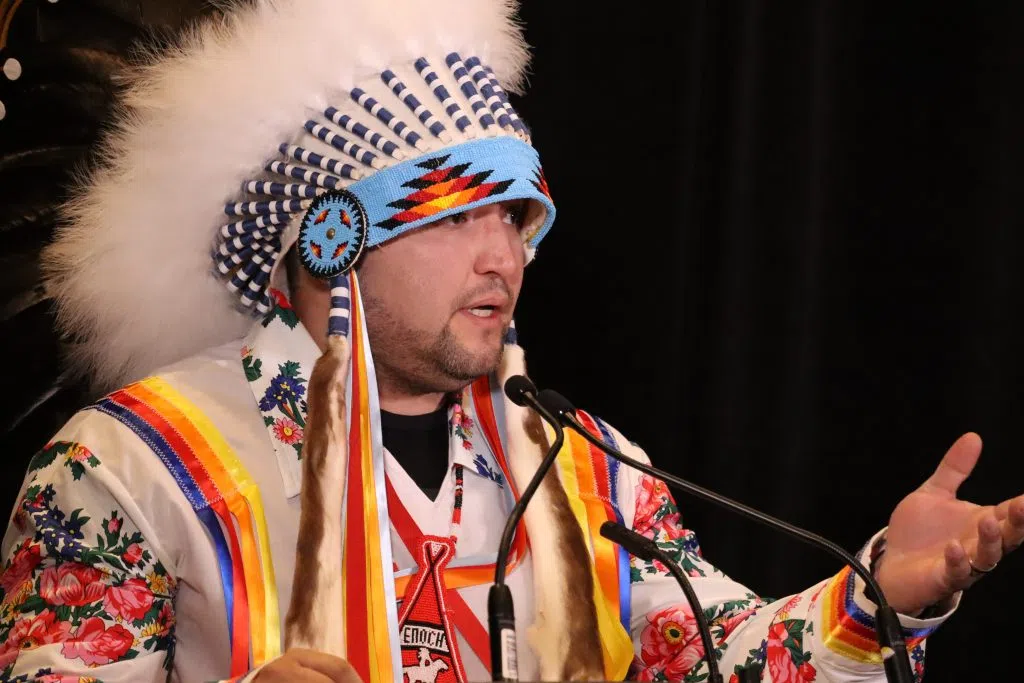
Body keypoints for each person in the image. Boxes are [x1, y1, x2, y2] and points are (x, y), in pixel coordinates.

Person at [1, 0, 1022, 681]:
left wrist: (878, 592)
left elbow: (710, 655)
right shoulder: (129, 464)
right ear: (331, 234)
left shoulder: (582, 462)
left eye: (520, 218)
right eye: (456, 216)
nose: (505, 257)